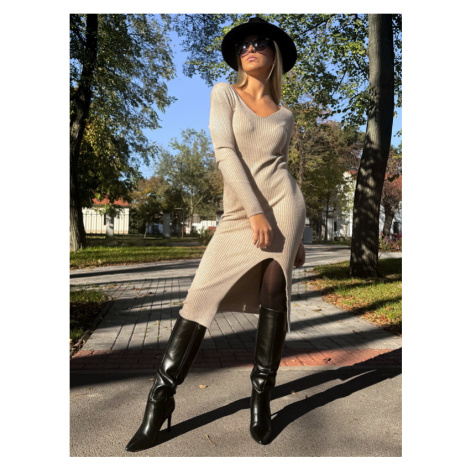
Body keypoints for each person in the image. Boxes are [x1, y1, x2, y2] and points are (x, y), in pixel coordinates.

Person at [125, 16, 306, 452]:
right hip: (242, 213)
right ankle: (160, 400)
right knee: (201, 296)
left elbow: (283, 169)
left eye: (260, 42)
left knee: (274, 294)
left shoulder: (286, 114)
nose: (250, 48)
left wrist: (299, 236)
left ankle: (261, 397)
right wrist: (255, 212)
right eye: (243, 44)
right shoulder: (224, 93)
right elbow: (224, 151)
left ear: (275, 54)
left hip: (286, 207)